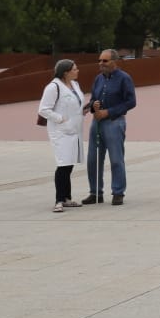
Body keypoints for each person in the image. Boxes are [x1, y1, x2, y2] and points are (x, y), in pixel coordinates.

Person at [83, 49, 137, 206]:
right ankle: (95, 193)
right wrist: (93, 106)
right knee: (93, 160)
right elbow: (94, 98)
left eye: (104, 61)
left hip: (114, 122)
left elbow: (131, 102)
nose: (101, 64)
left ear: (114, 61)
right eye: (99, 60)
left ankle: (118, 192)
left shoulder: (124, 78)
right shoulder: (98, 79)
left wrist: (108, 112)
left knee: (116, 159)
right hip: (97, 123)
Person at [39, 58, 85, 213]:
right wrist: (60, 118)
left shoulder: (75, 85)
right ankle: (59, 200)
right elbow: (43, 110)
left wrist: (86, 109)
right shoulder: (53, 87)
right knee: (63, 164)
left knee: (69, 163)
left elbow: (76, 105)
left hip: (74, 130)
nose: (77, 71)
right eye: (75, 69)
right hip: (60, 131)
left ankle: (67, 198)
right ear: (66, 72)